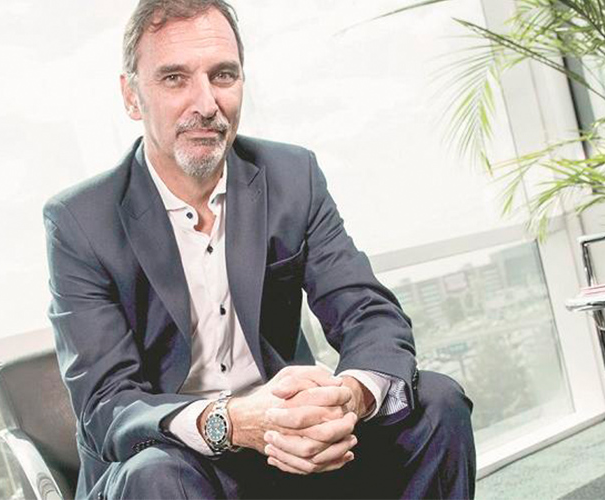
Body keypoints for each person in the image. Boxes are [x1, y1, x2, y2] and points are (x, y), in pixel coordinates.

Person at [43, 0, 476, 498]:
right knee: (159, 475)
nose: (206, 103)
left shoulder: (292, 177)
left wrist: (347, 398)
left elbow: (368, 312)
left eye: (223, 75)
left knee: (437, 401)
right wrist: (232, 421)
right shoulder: (80, 221)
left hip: (285, 443)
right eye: (175, 79)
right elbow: (108, 404)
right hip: (172, 461)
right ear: (132, 96)